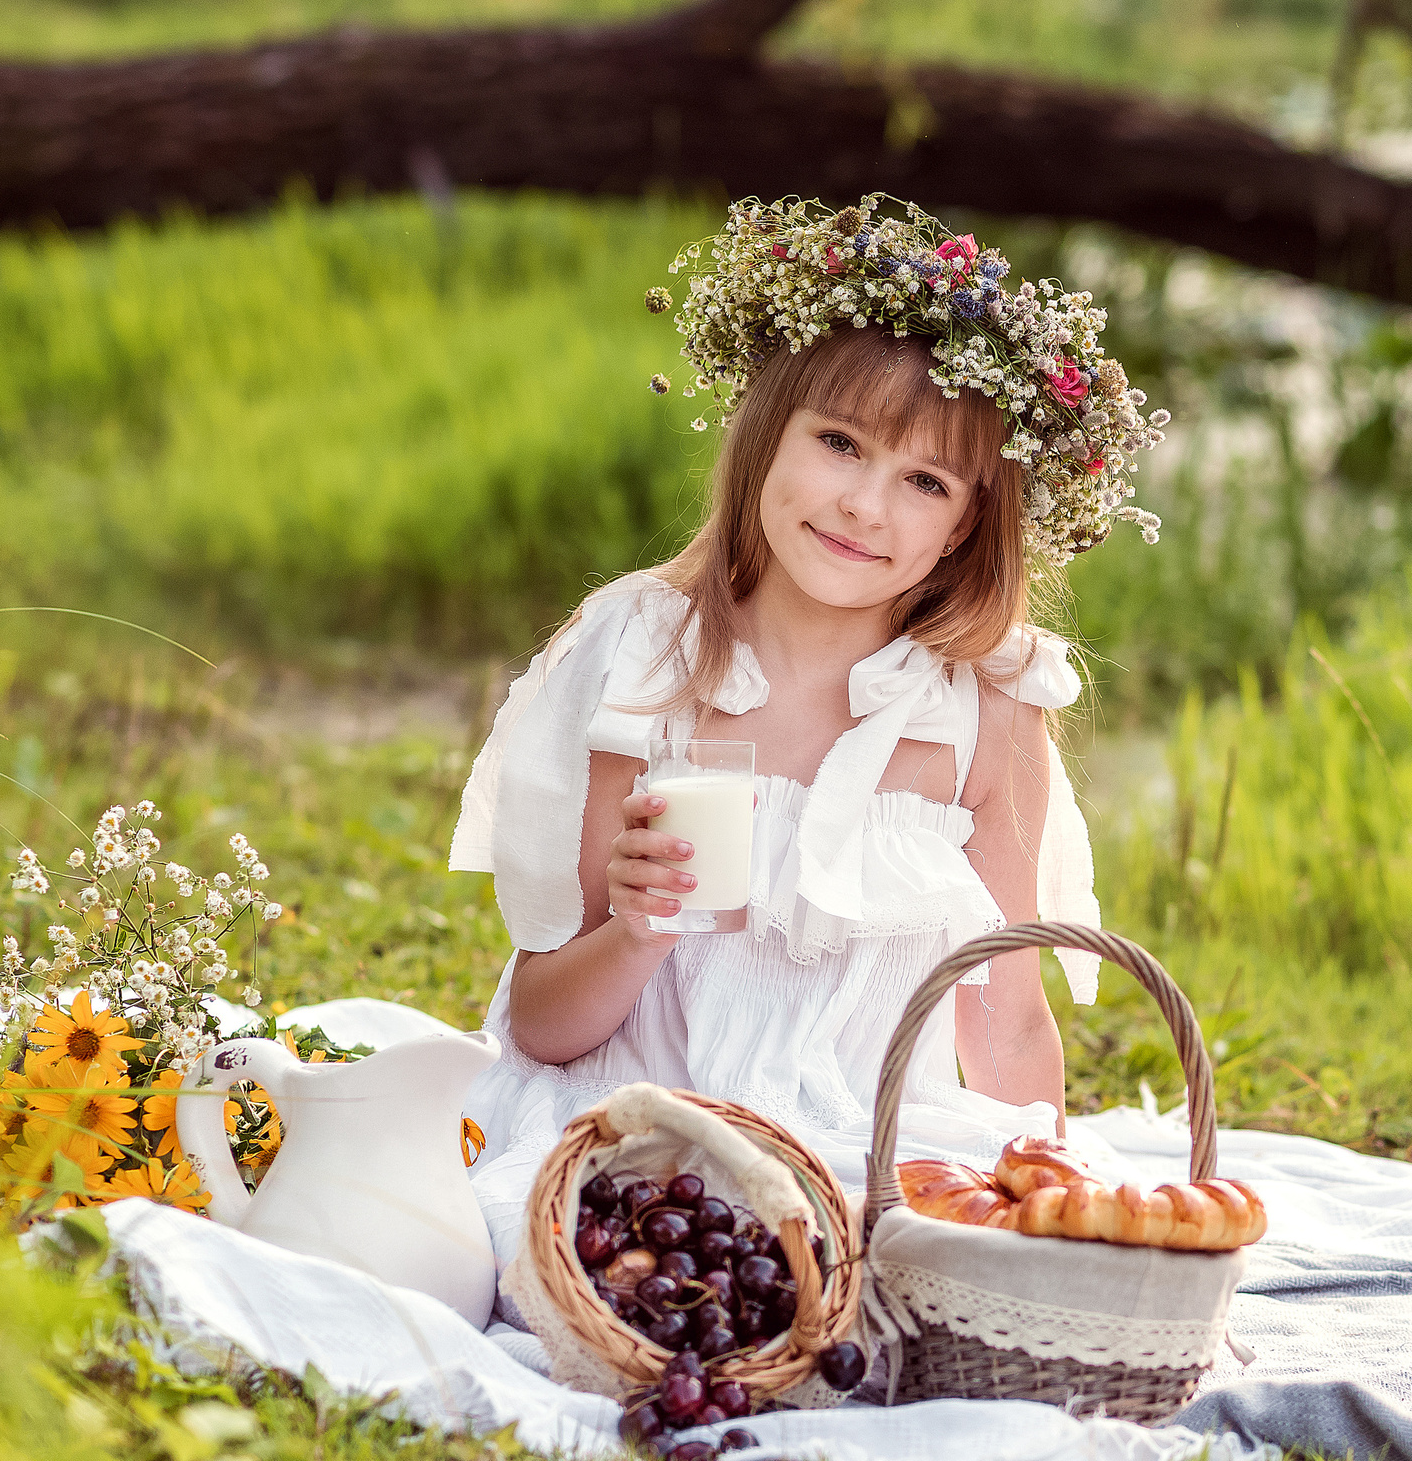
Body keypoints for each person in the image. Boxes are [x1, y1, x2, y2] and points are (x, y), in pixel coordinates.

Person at [448, 196, 1169, 1270]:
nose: (864, 506)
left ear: (969, 521)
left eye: (923, 481)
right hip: (630, 1143)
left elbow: (1006, 1025)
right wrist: (639, 928)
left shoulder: (985, 709)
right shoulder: (643, 662)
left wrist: (1046, 1217)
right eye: (839, 443)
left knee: (898, 1288)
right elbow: (544, 1027)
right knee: (612, 1272)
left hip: (858, 1157)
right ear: (764, 433)